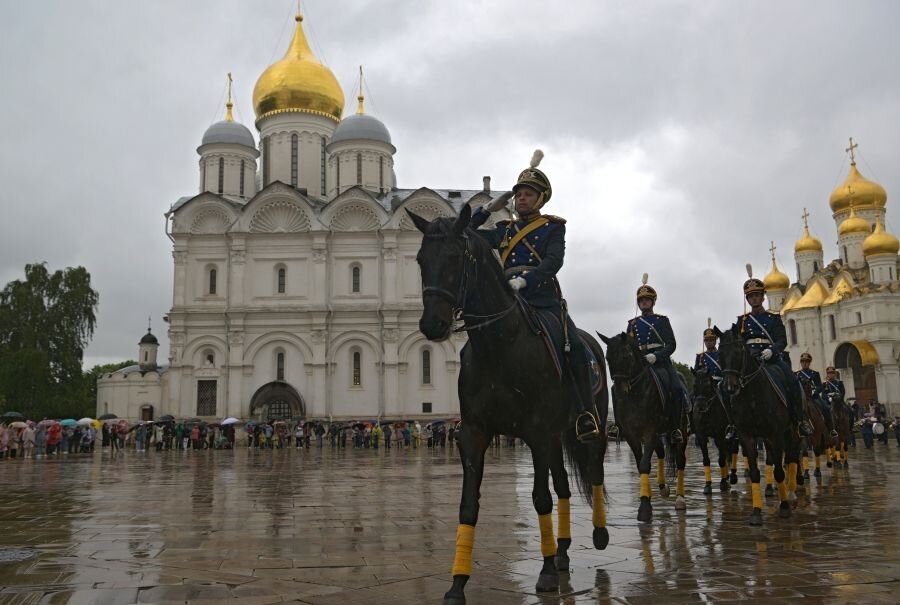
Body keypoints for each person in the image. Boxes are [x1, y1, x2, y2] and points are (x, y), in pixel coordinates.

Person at [470, 150, 600, 442]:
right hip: (507, 300)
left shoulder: (553, 227)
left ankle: (585, 414)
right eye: (519, 194)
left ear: (541, 199)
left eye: (528, 194)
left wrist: (525, 281)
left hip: (542, 299)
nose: (522, 199)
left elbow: (553, 262)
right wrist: (486, 210)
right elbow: (466, 235)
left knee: (575, 347)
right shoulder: (503, 229)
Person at [735, 273, 813, 436]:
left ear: (763, 297)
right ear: (747, 300)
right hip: (751, 359)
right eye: (751, 297)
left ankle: (799, 420)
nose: (754, 300)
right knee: (730, 385)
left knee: (792, 381)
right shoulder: (742, 321)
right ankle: (733, 424)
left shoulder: (773, 318)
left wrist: (772, 350)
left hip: (771, 358)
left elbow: (782, 340)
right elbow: (739, 343)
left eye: (757, 296)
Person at [627, 276, 690, 443]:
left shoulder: (662, 321)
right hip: (640, 364)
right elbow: (629, 347)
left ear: (653, 302)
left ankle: (676, 427)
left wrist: (656, 355)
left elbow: (671, 344)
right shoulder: (632, 324)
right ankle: (621, 425)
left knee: (676, 388)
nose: (644, 303)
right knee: (620, 387)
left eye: (647, 300)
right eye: (641, 300)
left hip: (660, 362)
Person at [795, 352, 837, 438]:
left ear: (809, 363)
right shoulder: (797, 374)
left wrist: (815, 392)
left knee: (826, 408)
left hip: (813, 396)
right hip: (800, 397)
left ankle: (831, 429)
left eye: (806, 361)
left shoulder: (815, 373)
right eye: (802, 361)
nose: (804, 363)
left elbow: (820, 386)